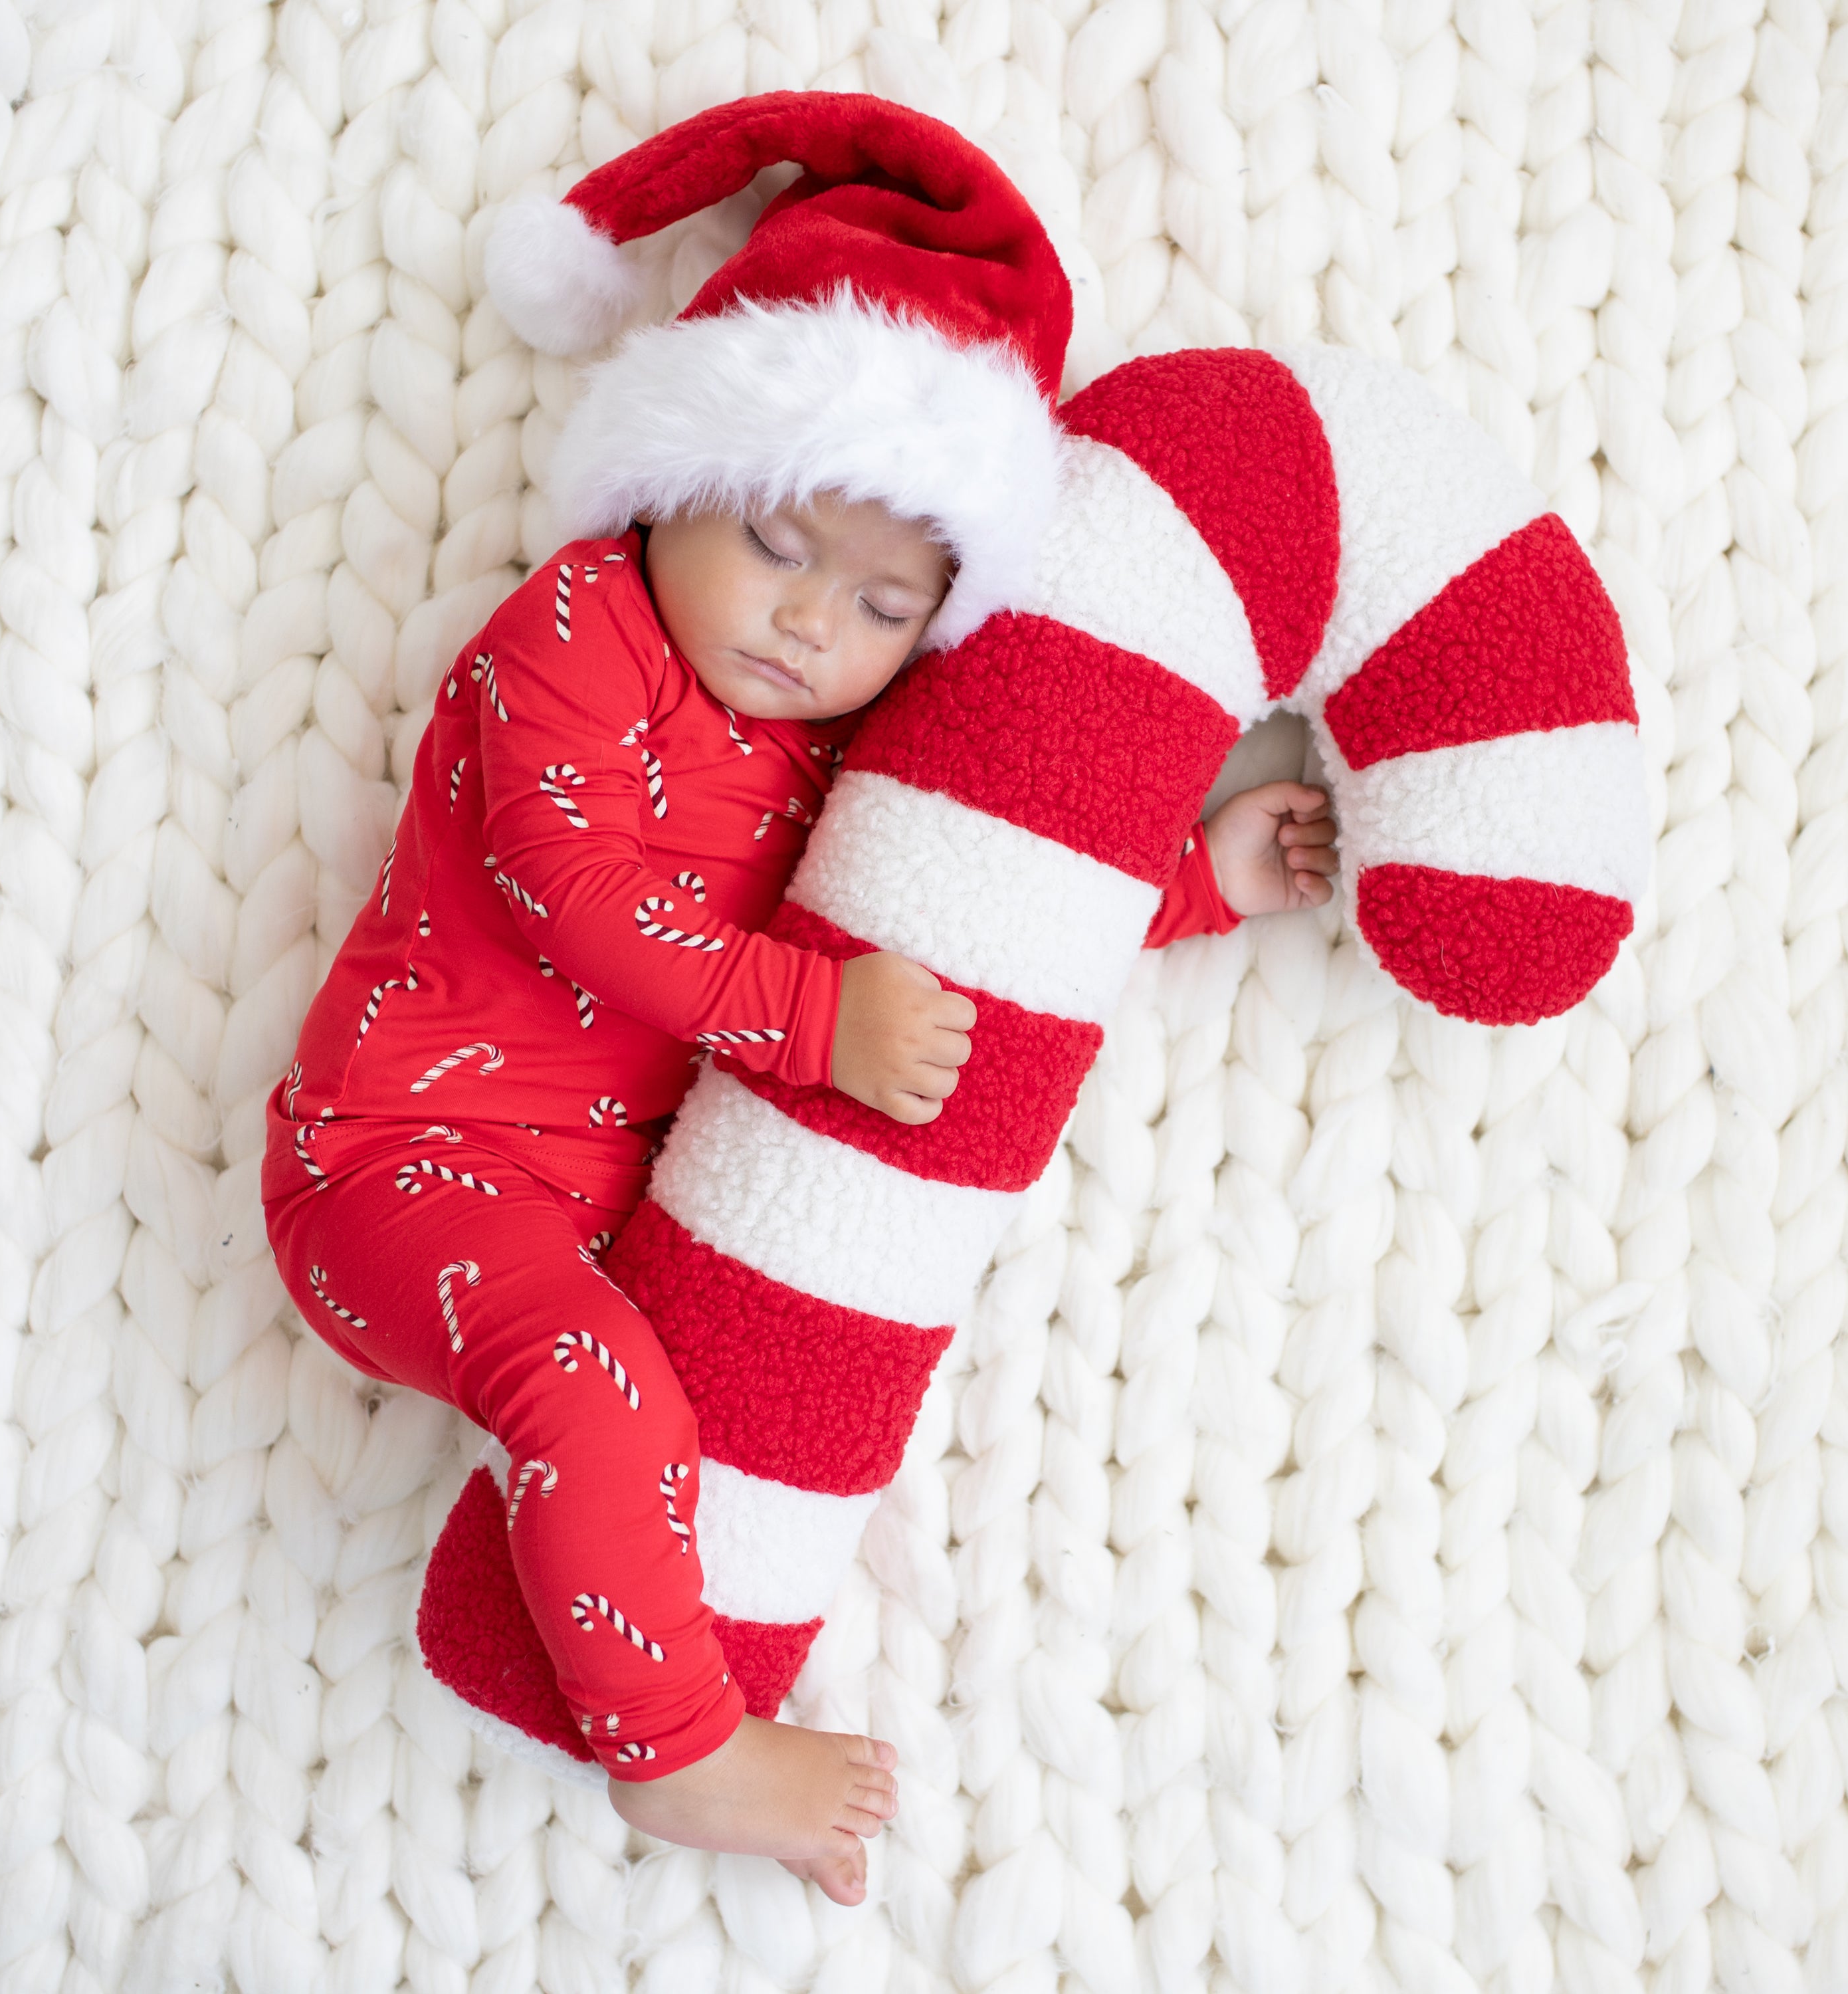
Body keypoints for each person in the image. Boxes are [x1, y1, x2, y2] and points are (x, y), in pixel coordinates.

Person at [262, 93, 1339, 1906]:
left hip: (584, 1212)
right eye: (775, 543)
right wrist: (812, 1020)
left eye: (881, 601)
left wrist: (1201, 879)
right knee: (597, 1384)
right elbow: (565, 885)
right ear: (680, 478)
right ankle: (676, 1755)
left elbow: (972, 898)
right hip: (401, 1152)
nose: (807, 623)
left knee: (636, 1405)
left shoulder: (836, 746)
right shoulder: (575, 630)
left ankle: (627, 1668)